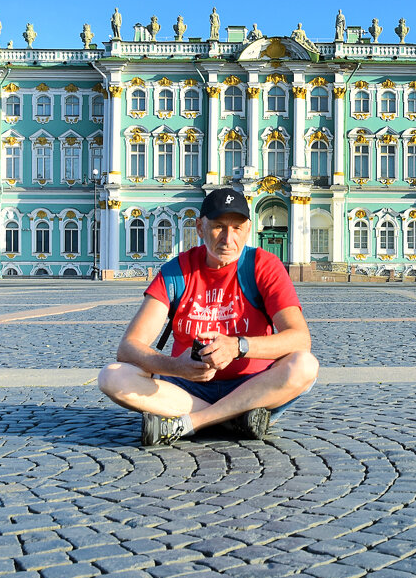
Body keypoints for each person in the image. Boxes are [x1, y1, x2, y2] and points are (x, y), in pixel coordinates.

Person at [98, 187, 318, 446]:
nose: (228, 238)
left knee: (305, 365)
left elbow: (300, 339)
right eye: (218, 227)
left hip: (253, 384)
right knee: (112, 376)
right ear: (199, 228)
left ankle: (194, 422)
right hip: (187, 388)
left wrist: (238, 346)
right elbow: (128, 348)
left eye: (237, 228)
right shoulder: (176, 272)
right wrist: (176, 366)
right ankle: (234, 418)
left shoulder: (264, 266)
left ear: (248, 229)